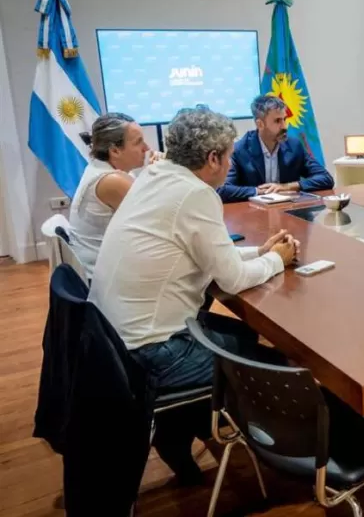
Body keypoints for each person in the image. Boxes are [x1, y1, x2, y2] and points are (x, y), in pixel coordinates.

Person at [89, 106, 299, 481]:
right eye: (229, 155)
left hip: (111, 344)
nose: (230, 162)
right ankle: (283, 453)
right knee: (275, 364)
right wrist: (279, 261)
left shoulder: (156, 176)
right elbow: (233, 280)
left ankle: (179, 431)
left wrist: (261, 253)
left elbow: (203, 253)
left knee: (241, 334)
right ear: (213, 158)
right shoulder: (196, 194)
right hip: (152, 352)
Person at [69, 114, 152, 279]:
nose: (147, 148)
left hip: (105, 270)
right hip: (108, 281)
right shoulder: (112, 181)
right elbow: (162, 219)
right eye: (138, 142)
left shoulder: (98, 169)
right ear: (114, 150)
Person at [218, 94, 333, 202]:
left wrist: (287, 187)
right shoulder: (240, 150)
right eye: (277, 121)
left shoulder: (294, 146)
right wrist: (258, 191)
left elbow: (326, 178)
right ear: (260, 124)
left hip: (289, 212)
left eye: (284, 119)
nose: (284, 126)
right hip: (254, 215)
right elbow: (222, 190)